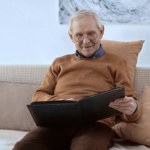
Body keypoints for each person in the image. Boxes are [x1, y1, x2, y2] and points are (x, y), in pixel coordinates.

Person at [13, 9, 142, 150]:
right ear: (71, 37)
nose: (86, 41)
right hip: (56, 124)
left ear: (101, 31)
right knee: (22, 147)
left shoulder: (117, 63)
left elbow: (130, 102)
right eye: (79, 35)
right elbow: (38, 96)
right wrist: (60, 103)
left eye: (91, 33)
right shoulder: (59, 63)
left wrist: (132, 108)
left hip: (96, 126)